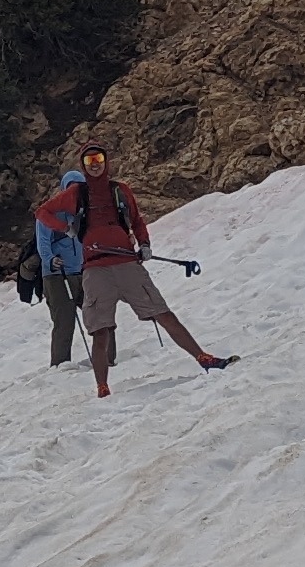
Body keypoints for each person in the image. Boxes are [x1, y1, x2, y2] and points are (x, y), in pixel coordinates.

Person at [33, 144, 229, 398]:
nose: (95, 164)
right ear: (83, 164)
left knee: (162, 313)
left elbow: (136, 220)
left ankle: (203, 357)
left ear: (106, 161)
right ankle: (102, 387)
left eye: (99, 158)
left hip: (125, 263)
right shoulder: (75, 194)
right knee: (100, 331)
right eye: (90, 159)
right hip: (95, 269)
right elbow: (42, 213)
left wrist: (144, 244)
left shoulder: (119, 191)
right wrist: (66, 228)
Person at [27, 188, 87, 364]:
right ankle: (60, 365)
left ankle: (108, 358)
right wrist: (50, 259)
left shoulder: (84, 212)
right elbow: (43, 243)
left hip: (82, 271)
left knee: (99, 314)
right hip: (57, 276)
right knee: (64, 322)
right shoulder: (49, 215)